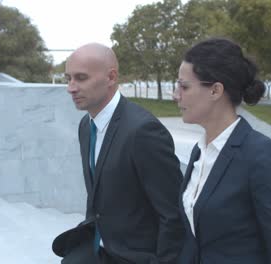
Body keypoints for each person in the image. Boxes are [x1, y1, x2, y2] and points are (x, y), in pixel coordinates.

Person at [173, 38, 271, 264]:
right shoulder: (200, 151)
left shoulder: (262, 156)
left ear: (215, 90)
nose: (176, 95)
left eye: (184, 86)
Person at [53, 43, 185, 263]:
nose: (71, 88)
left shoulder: (143, 131)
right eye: (68, 79)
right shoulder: (86, 126)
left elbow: (173, 214)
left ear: (111, 77)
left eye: (81, 78)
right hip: (98, 249)